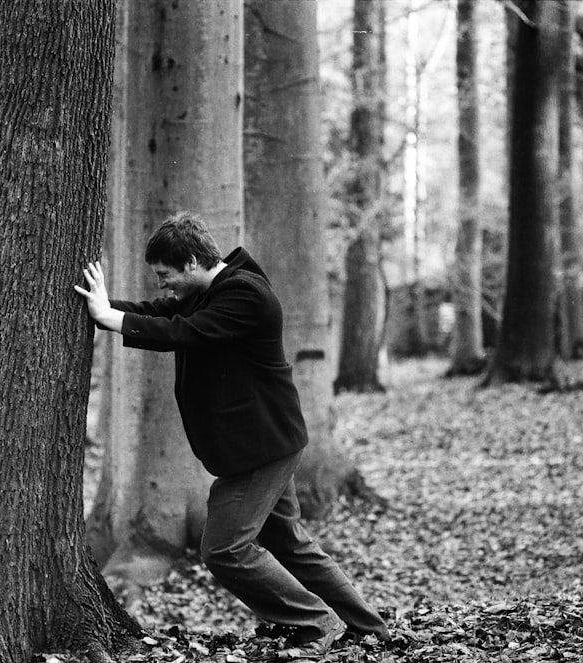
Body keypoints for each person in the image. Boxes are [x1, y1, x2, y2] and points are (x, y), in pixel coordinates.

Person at [74, 211, 389, 657]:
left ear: (190, 262)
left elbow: (186, 332)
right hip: (262, 442)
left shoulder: (244, 295)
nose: (163, 285)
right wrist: (106, 309)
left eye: (166, 275)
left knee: (224, 548)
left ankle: (313, 620)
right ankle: (369, 626)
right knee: (291, 545)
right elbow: (160, 313)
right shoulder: (210, 290)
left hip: (260, 448)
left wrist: (111, 318)